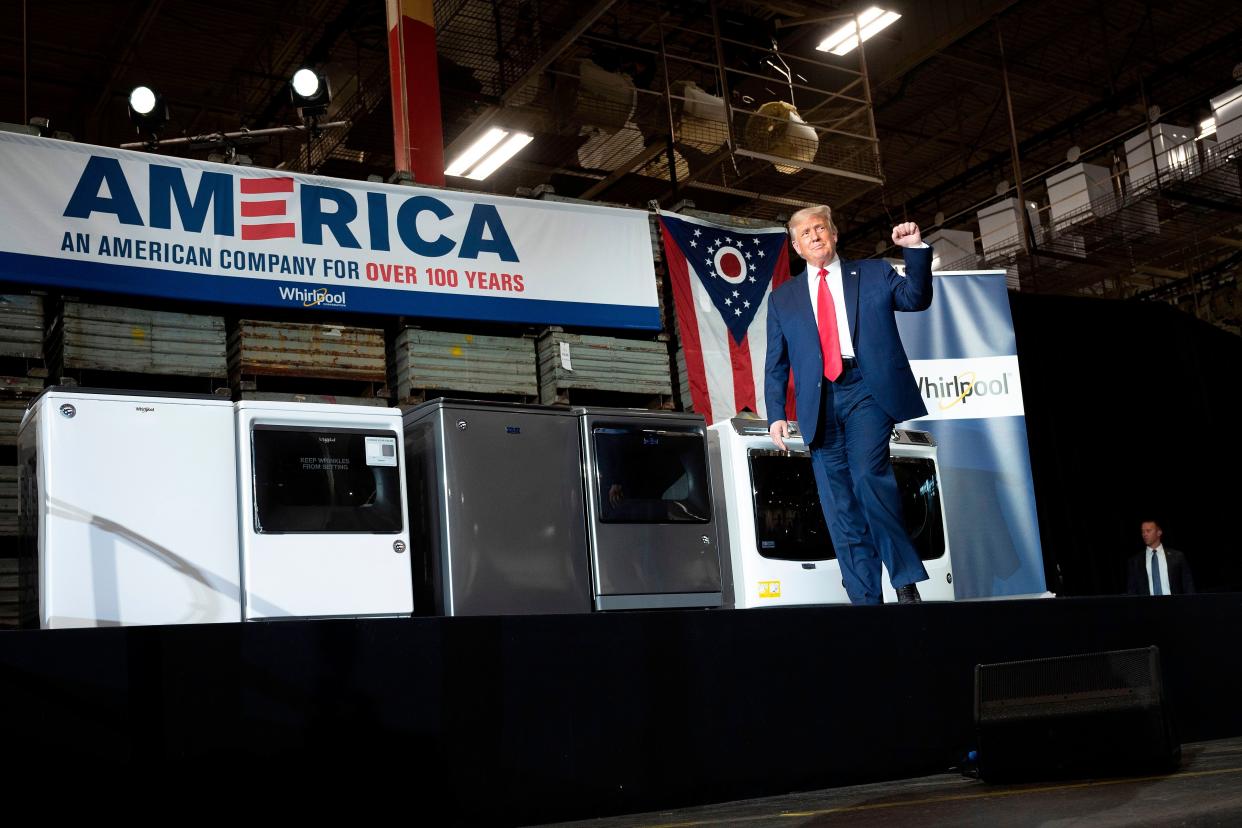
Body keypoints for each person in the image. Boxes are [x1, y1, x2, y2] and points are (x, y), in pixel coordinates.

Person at [764, 205, 932, 605]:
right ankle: (864, 599)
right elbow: (776, 363)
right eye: (805, 233)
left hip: (865, 390)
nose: (814, 236)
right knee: (840, 508)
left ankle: (904, 578)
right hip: (818, 403)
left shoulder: (873, 273)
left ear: (835, 235)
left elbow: (916, 298)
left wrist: (915, 249)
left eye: (820, 228)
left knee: (867, 477)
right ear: (796, 246)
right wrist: (775, 414)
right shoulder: (783, 299)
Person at [1126, 519, 1196, 595]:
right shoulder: (1135, 561)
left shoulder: (1177, 557)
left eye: (1148, 531)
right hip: (1147, 606)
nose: (1144, 534)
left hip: (1175, 605)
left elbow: (1188, 585)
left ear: (1159, 533)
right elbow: (1132, 590)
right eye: (1143, 531)